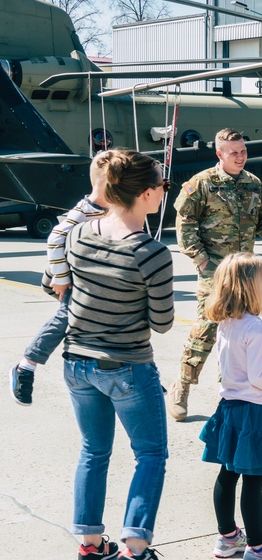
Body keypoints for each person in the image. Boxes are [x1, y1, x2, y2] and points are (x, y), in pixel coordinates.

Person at [50, 150, 174, 560]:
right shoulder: (152, 253)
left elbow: (59, 281)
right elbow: (162, 322)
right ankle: (135, 548)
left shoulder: (79, 233)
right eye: (163, 186)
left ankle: (90, 544)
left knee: (93, 451)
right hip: (126, 365)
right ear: (145, 194)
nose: (164, 192)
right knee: (151, 454)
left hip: (76, 361)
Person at [170, 128, 262, 421]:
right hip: (214, 273)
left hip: (245, 275)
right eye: (233, 152)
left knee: (241, 332)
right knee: (207, 329)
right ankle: (182, 386)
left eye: (243, 151)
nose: (240, 156)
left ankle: (236, 391)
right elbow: (184, 225)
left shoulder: (254, 184)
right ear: (219, 154)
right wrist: (201, 262)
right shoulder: (201, 184)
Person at [200, 253, 262, 560]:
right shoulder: (256, 327)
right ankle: (258, 546)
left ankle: (228, 536)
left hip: (230, 408)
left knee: (227, 474)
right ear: (248, 287)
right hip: (255, 412)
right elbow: (261, 378)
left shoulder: (227, 323)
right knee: (253, 481)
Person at [9, 151, 110, 406]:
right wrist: (62, 277)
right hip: (73, 279)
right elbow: (55, 239)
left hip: (96, 279)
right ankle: (25, 367)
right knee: (64, 320)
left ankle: (137, 371)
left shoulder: (113, 208)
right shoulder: (86, 210)